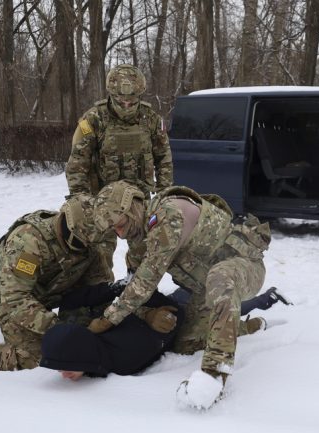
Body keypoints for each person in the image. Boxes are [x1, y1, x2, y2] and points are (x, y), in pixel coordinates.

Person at [90, 180, 272, 409]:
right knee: (184, 342)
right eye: (113, 230)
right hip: (206, 290)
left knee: (219, 277)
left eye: (120, 224)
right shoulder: (138, 243)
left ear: (133, 207)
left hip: (243, 268)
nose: (119, 233)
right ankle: (248, 327)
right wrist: (148, 314)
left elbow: (147, 278)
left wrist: (108, 319)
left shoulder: (170, 212)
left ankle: (214, 377)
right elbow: (133, 287)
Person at [0, 195, 114, 371]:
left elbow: (99, 284)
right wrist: (58, 328)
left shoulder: (90, 238)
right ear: (68, 226)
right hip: (8, 300)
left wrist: (106, 317)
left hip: (56, 293)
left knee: (86, 344)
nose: (87, 247)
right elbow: (15, 298)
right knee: (41, 357)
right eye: (81, 242)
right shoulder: (29, 241)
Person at [40, 286, 290, 380]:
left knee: (225, 313)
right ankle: (260, 310)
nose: (63, 373)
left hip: (176, 313)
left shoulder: (123, 356)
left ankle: (265, 304)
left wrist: (148, 314)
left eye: (66, 365)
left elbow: (120, 296)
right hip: (165, 314)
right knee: (223, 312)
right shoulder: (97, 351)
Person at [65, 63, 173, 272]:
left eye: (131, 102)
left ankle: (138, 290)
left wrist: (164, 194)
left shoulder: (151, 119)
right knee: (99, 254)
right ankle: (100, 293)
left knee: (144, 249)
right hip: (102, 199)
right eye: (121, 102)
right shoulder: (94, 119)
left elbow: (164, 159)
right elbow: (77, 163)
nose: (126, 105)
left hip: (139, 200)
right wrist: (81, 198)